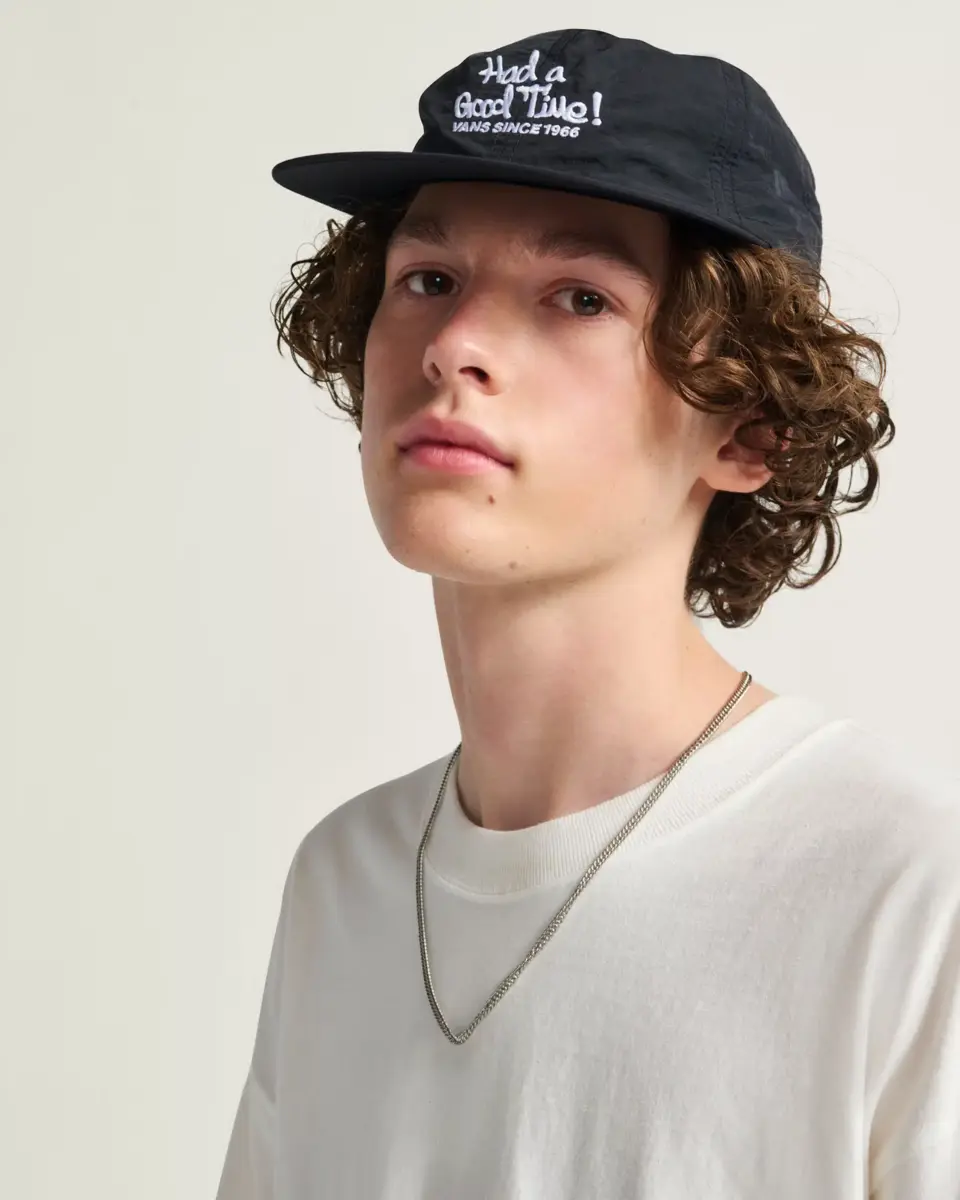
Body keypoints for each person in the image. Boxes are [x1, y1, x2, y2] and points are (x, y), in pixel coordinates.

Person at [216, 28, 960, 1199]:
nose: (455, 347)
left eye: (578, 298)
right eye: (429, 279)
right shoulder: (344, 884)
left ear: (748, 428)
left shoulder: (904, 898)